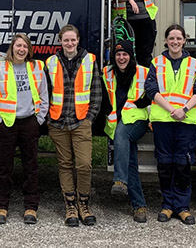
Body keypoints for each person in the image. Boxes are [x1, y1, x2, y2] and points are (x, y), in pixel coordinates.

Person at [144, 24, 196, 225]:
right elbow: (151, 89)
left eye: (179, 38)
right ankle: (167, 205)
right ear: (165, 41)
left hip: (186, 122)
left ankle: (182, 207)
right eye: (171, 38)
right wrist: (172, 110)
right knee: (165, 164)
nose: (175, 42)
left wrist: (184, 110)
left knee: (182, 163)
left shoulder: (195, 64)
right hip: (163, 120)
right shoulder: (157, 62)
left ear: (184, 41)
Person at [46, 24, 102, 227]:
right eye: (65, 40)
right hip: (58, 122)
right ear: (60, 42)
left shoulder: (90, 60)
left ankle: (84, 205)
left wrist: (90, 118)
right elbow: (45, 92)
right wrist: (48, 117)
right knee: (65, 164)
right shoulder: (51, 62)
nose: (69, 43)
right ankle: (70, 206)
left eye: (73, 39)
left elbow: (96, 92)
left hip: (81, 122)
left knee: (85, 164)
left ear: (78, 40)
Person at [0, 34, 49, 225]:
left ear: (29, 50)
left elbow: (44, 95)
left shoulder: (36, 67)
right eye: (18, 46)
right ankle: (2, 206)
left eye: (25, 47)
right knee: (4, 167)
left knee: (31, 166)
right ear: (12, 48)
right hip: (7, 123)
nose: (21, 49)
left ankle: (31, 206)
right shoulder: (2, 67)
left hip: (29, 122)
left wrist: (39, 119)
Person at [102, 40, 150, 223]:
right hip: (117, 121)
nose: (121, 58)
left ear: (131, 56)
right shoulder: (107, 73)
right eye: (118, 55)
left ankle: (119, 180)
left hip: (137, 120)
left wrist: (138, 104)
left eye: (125, 54)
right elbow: (105, 97)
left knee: (122, 135)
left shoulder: (143, 72)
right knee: (130, 161)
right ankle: (139, 206)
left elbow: (151, 94)